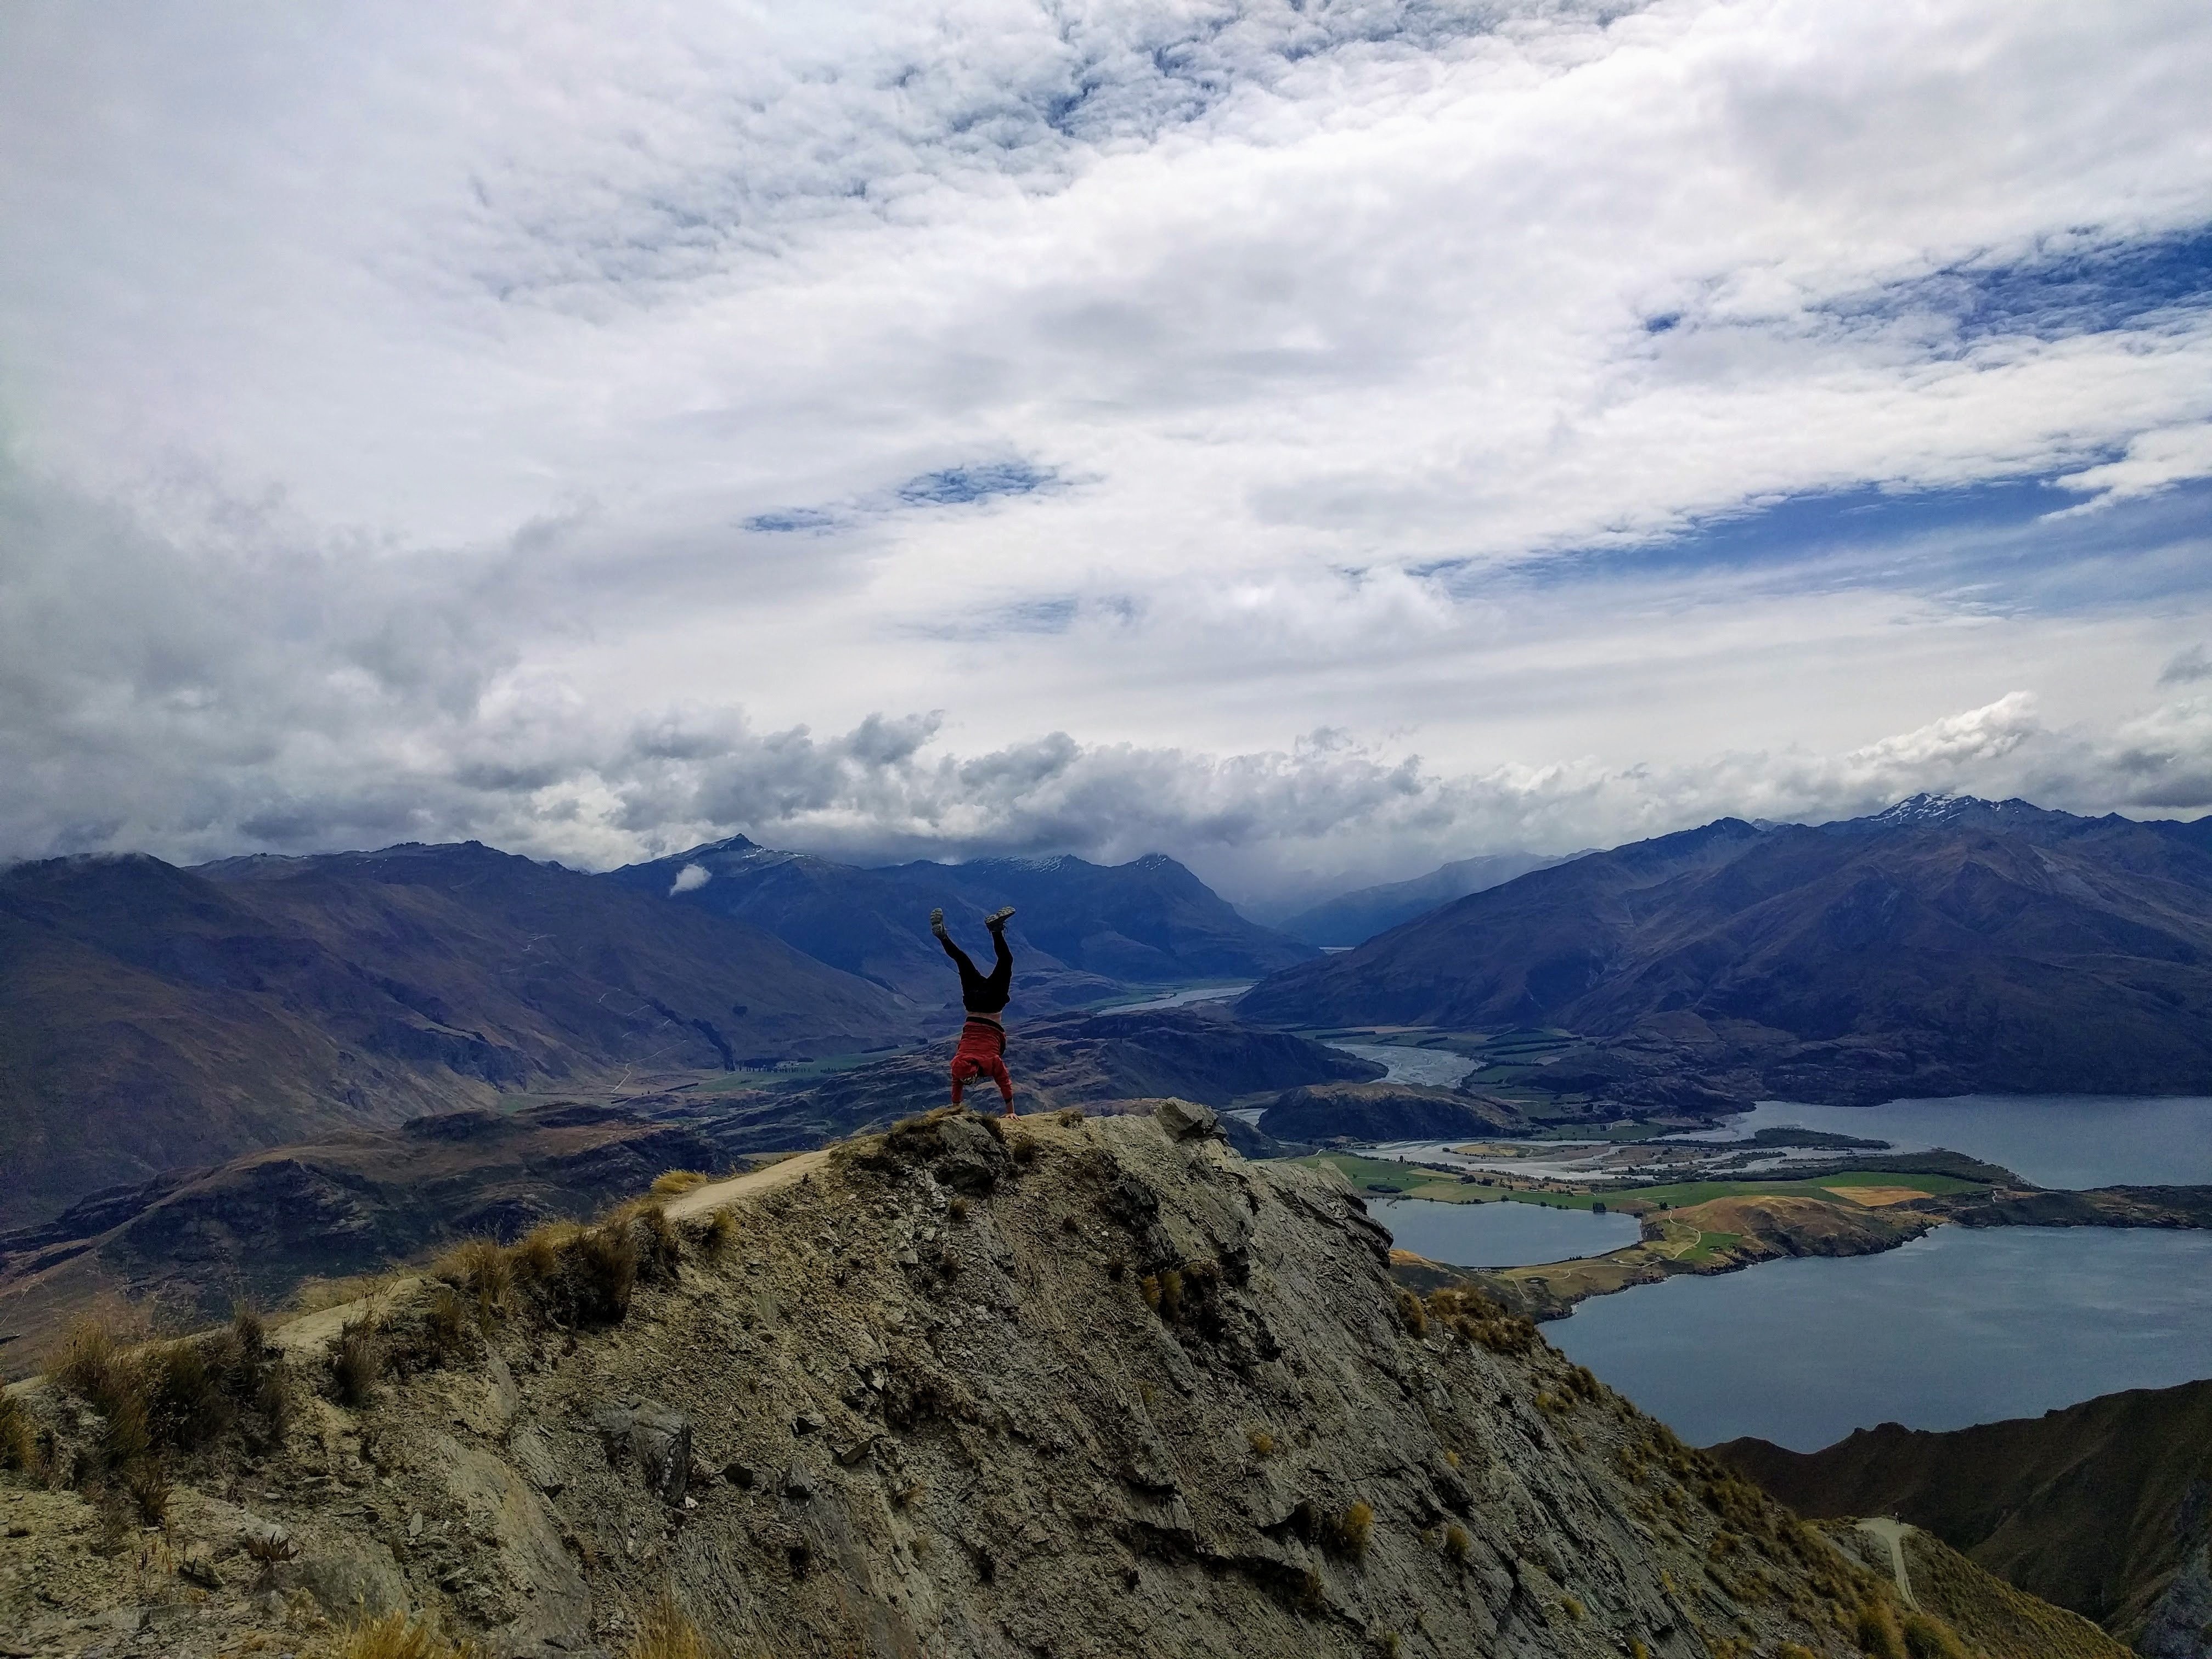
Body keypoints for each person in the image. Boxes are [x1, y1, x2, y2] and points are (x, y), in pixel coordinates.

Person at [933, 904, 1017, 1113]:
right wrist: (955, 1108)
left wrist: (1011, 1113)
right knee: (962, 961)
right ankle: (943, 937)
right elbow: (956, 1089)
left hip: (992, 1005)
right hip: (972, 1003)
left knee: (1006, 961)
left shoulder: (990, 1062)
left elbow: (1004, 1083)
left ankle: (996, 930)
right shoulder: (957, 1064)